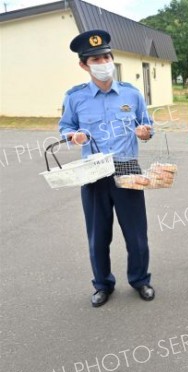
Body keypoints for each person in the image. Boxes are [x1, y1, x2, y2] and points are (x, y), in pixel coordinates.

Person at [59, 30, 155, 307]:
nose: (102, 62)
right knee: (98, 235)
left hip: (127, 167)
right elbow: (65, 127)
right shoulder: (75, 97)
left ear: (112, 58)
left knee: (136, 233)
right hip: (93, 172)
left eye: (105, 57)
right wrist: (73, 136)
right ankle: (102, 284)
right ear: (83, 65)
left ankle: (140, 280)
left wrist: (145, 132)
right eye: (95, 59)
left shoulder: (131, 93)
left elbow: (147, 126)